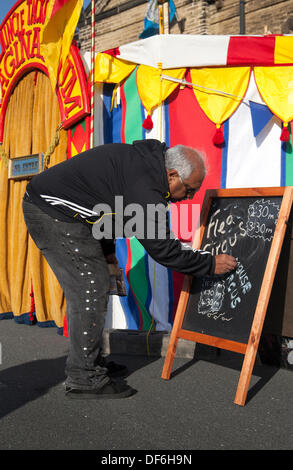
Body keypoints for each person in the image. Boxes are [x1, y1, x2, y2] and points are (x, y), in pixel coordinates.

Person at [22, 139, 237, 400]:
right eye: (189, 190)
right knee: (90, 287)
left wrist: (106, 249)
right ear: (172, 175)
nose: (189, 198)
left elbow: (105, 203)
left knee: (96, 282)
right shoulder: (147, 187)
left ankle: (91, 361)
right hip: (52, 212)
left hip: (66, 211)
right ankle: (84, 377)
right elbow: (164, 250)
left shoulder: (146, 166)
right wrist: (210, 264)